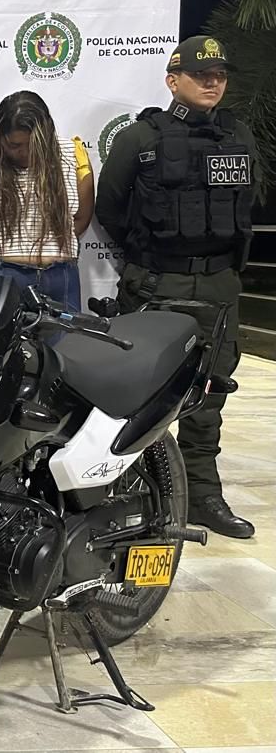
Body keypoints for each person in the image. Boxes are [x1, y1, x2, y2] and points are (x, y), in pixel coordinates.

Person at [96, 36, 257, 540]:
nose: (212, 82)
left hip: (218, 287)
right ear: (173, 80)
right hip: (156, 285)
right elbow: (110, 210)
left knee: (209, 398)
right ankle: (129, 500)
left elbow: (247, 208)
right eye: (200, 74)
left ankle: (204, 498)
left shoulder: (240, 137)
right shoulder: (138, 139)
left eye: (219, 75)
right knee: (141, 400)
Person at [0, 90, 94, 310]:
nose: (25, 153)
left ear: (47, 135)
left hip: (60, 277)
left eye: (33, 145)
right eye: (14, 146)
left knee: (65, 345)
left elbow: (81, 218)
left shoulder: (73, 155)